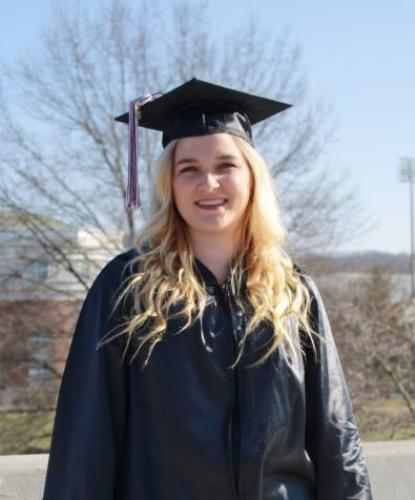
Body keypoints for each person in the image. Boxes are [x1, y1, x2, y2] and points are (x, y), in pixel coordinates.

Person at [42, 78, 373, 499]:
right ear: (170, 184)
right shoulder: (127, 287)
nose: (209, 183)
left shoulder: (292, 290)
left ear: (252, 177)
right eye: (189, 170)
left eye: (225, 166)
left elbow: (335, 436)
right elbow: (86, 439)